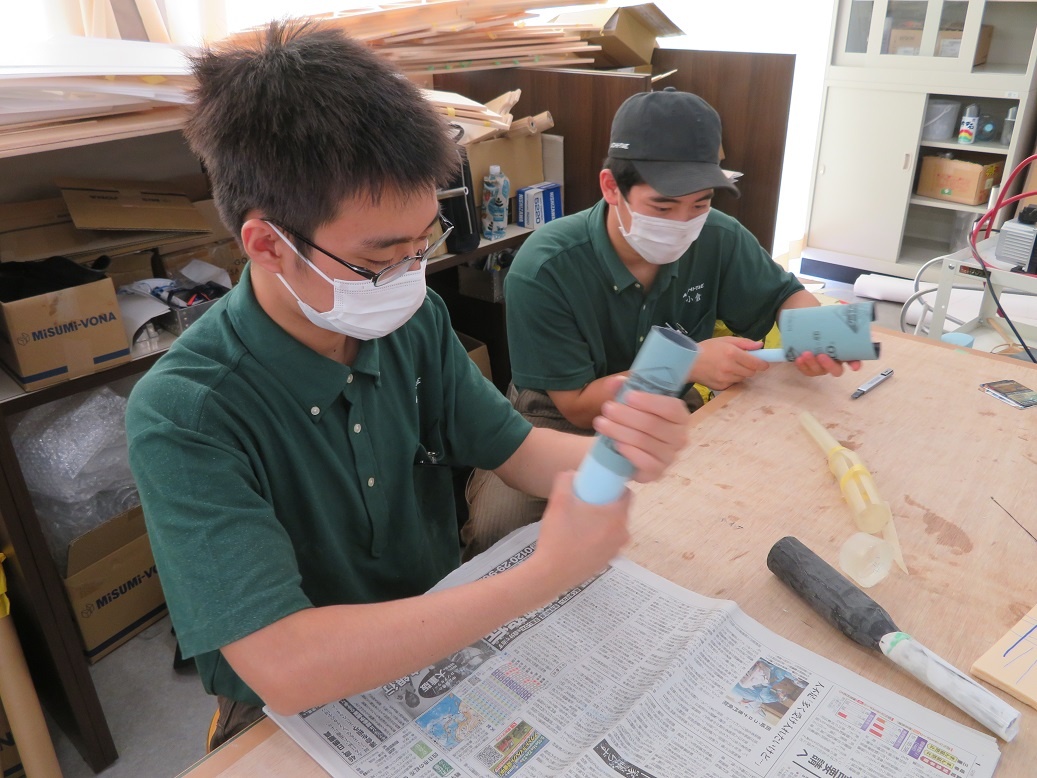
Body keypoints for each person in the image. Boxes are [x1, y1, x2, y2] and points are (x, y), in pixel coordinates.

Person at [124, 20, 691, 751]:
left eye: (424, 242)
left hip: (440, 635)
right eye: (380, 259)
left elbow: (518, 452)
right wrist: (540, 577)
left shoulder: (410, 321)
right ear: (268, 244)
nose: (410, 276)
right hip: (292, 714)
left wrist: (622, 453)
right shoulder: (186, 413)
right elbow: (284, 666)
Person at [462, 87, 860, 560]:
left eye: (700, 204)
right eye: (663, 208)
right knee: (500, 532)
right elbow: (578, 407)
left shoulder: (718, 237)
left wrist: (818, 334)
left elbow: (783, 295)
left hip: (668, 410)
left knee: (713, 520)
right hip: (556, 417)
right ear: (612, 187)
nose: (683, 223)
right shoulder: (545, 267)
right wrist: (686, 364)